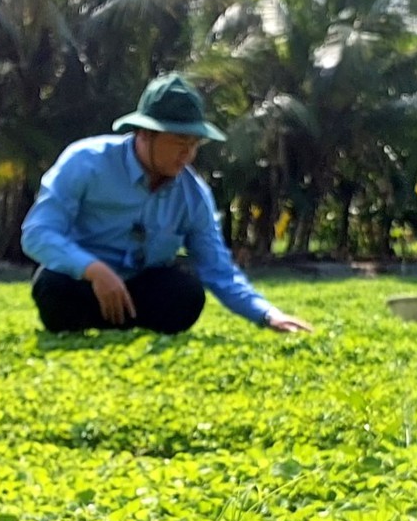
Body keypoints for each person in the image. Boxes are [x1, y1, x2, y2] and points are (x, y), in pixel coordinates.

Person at [21, 74, 312, 336]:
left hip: (141, 286)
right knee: (53, 287)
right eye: (179, 142)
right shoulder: (86, 162)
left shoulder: (194, 195)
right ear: (144, 134)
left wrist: (267, 314)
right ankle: (101, 317)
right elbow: (37, 233)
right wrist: (94, 270)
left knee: (186, 295)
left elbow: (217, 268)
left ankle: (114, 323)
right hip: (81, 281)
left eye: (195, 144)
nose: (188, 154)